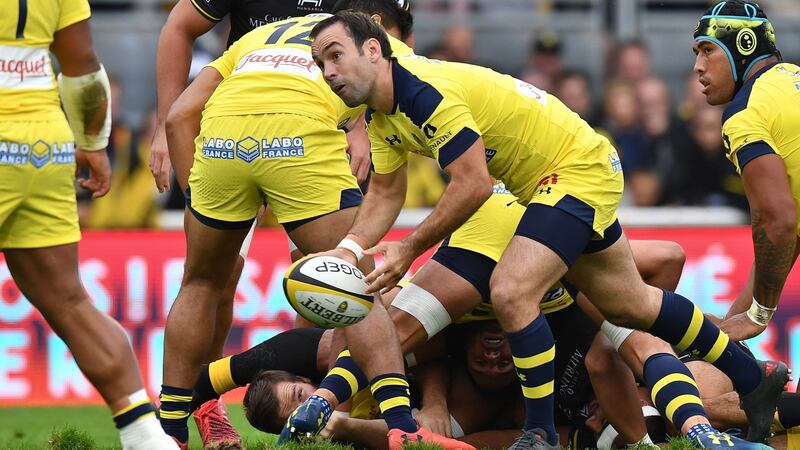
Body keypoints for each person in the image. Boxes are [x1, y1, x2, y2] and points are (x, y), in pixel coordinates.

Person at [306, 11, 788, 449]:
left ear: (374, 49)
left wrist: (409, 248)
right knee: (632, 305)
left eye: (335, 56)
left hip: (571, 170)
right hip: (545, 185)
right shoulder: (383, 118)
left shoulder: (421, 90)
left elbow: (473, 184)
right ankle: (752, 379)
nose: (328, 72)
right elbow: (385, 193)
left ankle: (539, 434)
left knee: (512, 290)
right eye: (320, 63)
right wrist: (349, 249)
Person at [160, 12, 467, 450]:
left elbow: (178, 116)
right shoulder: (370, 44)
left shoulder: (257, 37)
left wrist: (201, 201)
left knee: (199, 284)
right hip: (297, 137)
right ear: (376, 28)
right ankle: (401, 427)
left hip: (221, 141)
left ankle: (169, 432)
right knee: (357, 285)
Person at [0, 1, 177, 449]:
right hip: (44, 144)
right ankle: (147, 438)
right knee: (71, 303)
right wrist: (94, 145)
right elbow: (82, 64)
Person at [691, 0, 800, 344]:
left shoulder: (745, 112)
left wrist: (757, 316)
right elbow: (785, 234)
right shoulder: (792, 78)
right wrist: (732, 324)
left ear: (743, 46)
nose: (698, 66)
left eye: (708, 50)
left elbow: (778, 222)